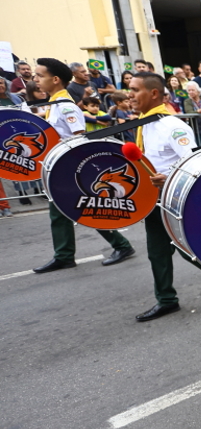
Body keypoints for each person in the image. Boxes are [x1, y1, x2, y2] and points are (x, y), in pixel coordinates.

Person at [126, 72, 201, 321]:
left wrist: (169, 176)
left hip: (175, 199)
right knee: (157, 251)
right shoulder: (142, 123)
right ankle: (166, 300)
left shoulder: (173, 126)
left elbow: (194, 163)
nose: (130, 94)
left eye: (135, 89)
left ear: (154, 93)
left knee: (186, 248)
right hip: (153, 199)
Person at [31, 58, 137, 274]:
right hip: (59, 165)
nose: (35, 80)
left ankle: (121, 245)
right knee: (60, 210)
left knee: (84, 206)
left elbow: (80, 137)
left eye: (40, 75)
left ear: (56, 79)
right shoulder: (55, 104)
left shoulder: (66, 106)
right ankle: (64, 255)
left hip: (70, 165)